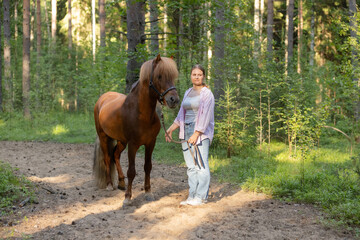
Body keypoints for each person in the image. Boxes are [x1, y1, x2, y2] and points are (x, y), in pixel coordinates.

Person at [165, 64, 215, 206]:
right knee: (191, 167)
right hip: (185, 131)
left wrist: (196, 134)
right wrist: (171, 129)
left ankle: (201, 197)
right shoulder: (188, 92)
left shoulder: (207, 94)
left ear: (203, 76)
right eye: (194, 74)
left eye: (199, 74)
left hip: (200, 133)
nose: (197, 77)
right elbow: (181, 114)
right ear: (191, 76)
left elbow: (205, 116)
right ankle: (192, 195)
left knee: (201, 165)